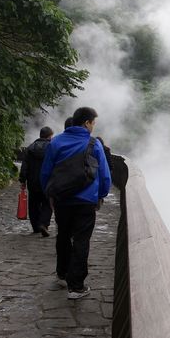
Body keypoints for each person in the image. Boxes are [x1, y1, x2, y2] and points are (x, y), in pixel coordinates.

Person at [40, 107, 111, 299]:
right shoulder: (93, 144)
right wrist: (100, 195)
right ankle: (76, 286)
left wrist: (51, 195)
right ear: (86, 123)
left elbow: (46, 172)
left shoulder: (55, 143)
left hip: (62, 200)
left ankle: (62, 273)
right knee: (81, 240)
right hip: (86, 202)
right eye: (93, 123)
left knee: (63, 235)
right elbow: (104, 175)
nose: (93, 127)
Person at [19, 126, 54, 236]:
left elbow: (24, 166)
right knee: (47, 203)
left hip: (32, 182)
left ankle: (35, 227)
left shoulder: (30, 148)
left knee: (33, 204)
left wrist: (22, 180)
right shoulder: (51, 147)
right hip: (46, 181)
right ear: (49, 136)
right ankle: (43, 223)